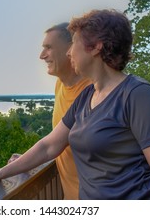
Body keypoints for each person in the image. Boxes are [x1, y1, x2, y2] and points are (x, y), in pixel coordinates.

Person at [0, 9, 150, 199]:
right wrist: (1, 172)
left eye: (74, 43)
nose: (69, 52)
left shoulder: (138, 96)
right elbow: (49, 146)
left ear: (96, 47)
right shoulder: (87, 96)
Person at [9, 23, 91, 200]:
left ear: (70, 49)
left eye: (48, 47)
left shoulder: (94, 92)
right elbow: (57, 140)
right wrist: (26, 161)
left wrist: (0, 172)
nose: (42, 55)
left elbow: (50, 147)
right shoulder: (60, 84)